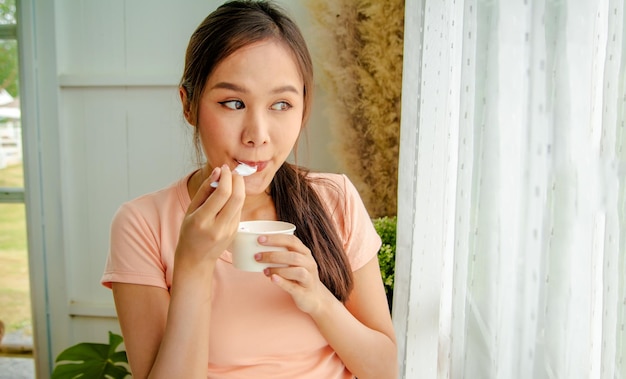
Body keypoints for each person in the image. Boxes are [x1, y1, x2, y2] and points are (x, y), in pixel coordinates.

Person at [101, 1, 397, 378]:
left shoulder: (334, 199)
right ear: (188, 105)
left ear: (303, 108)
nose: (257, 135)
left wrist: (319, 299)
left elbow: (385, 369)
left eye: (281, 104)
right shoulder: (142, 224)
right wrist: (193, 265)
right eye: (234, 103)